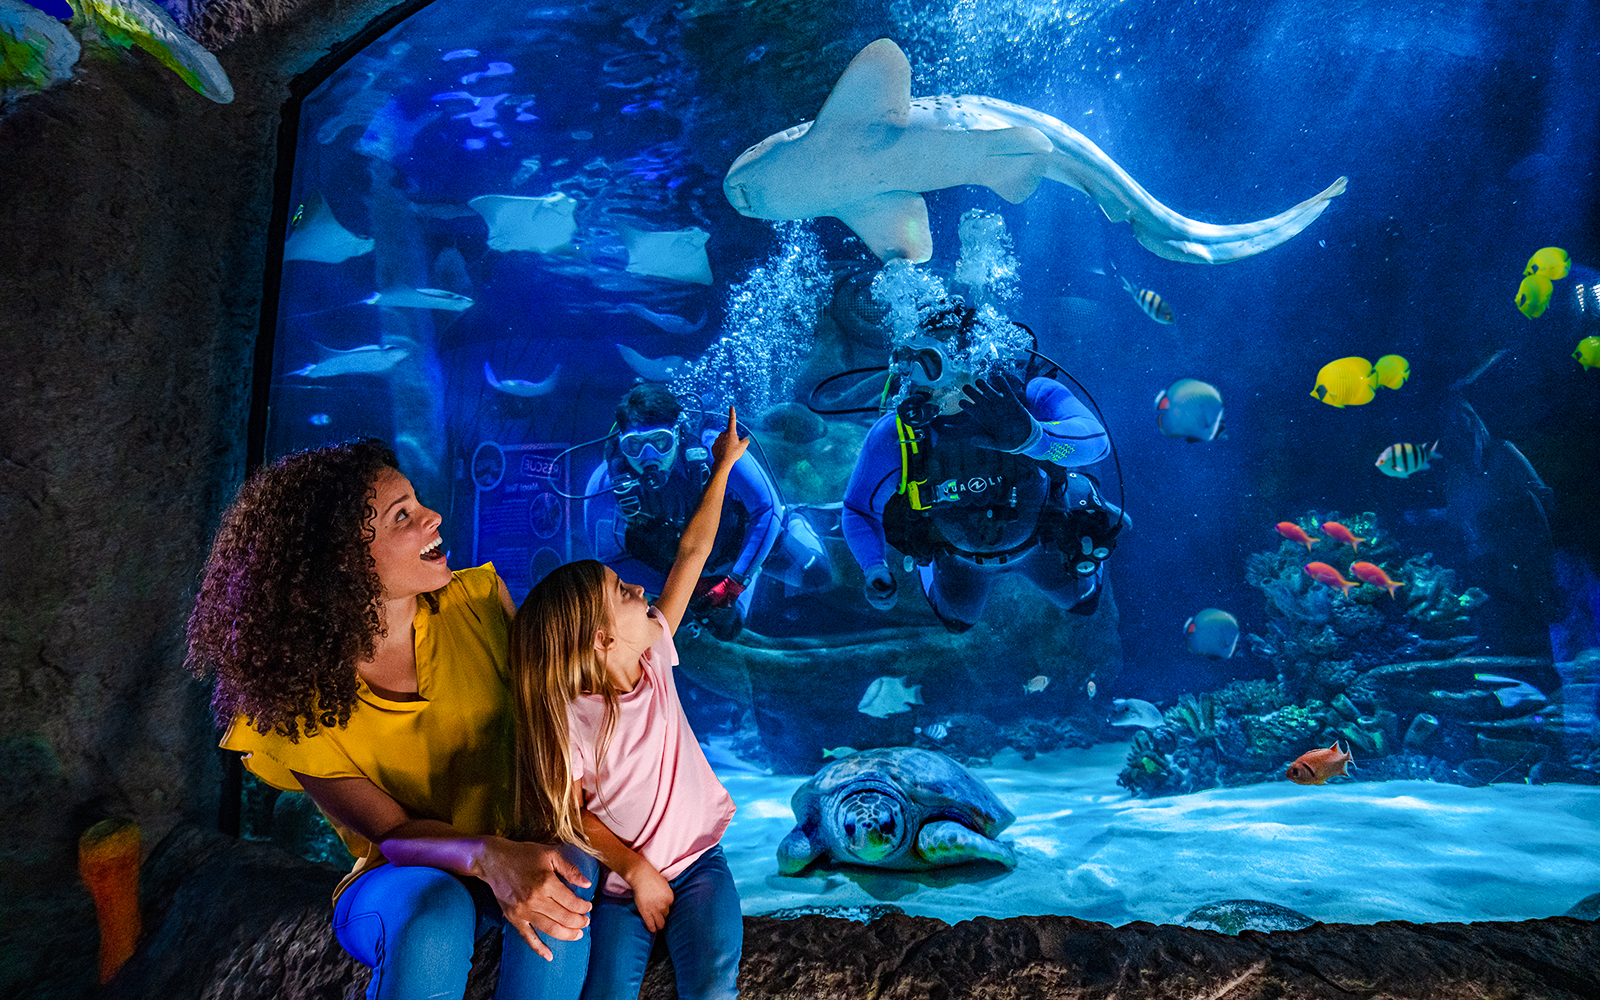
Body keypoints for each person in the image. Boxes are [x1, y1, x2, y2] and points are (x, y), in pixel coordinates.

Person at [185, 438, 596, 1000]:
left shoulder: (482, 603)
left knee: (568, 868)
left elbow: (578, 713)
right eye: (402, 515)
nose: (434, 517)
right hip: (402, 875)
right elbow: (395, 834)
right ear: (341, 560)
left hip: (518, 844)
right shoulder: (295, 702)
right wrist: (488, 857)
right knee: (436, 912)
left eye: (417, 502)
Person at [512, 407, 748, 1000]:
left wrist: (721, 470)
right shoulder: (568, 716)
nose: (641, 588)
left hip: (701, 865)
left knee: (713, 986)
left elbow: (691, 554)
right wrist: (636, 870)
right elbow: (569, 813)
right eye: (623, 592)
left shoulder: (653, 656)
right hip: (620, 887)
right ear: (600, 639)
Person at [841, 305, 1121, 631]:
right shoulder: (897, 434)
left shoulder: (1029, 397)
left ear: (970, 359)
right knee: (957, 621)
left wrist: (1035, 437)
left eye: (931, 362)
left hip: (1041, 540)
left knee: (1083, 603)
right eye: (908, 360)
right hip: (959, 559)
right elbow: (858, 508)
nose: (916, 381)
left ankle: (1079, 494)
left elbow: (1097, 443)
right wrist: (874, 567)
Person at [583, 383, 829, 638]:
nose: (648, 456)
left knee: (817, 575)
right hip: (691, 570)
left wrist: (734, 583)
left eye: (660, 441)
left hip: (743, 539)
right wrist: (688, 589)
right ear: (621, 444)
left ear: (677, 434)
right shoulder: (605, 485)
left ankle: (797, 520)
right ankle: (744, 576)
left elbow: (767, 511)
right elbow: (610, 563)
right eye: (634, 446)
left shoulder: (716, 447)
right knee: (727, 633)